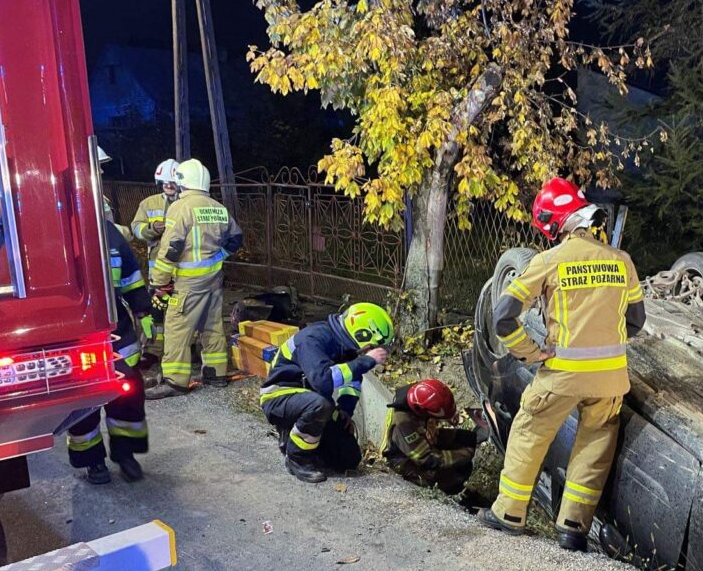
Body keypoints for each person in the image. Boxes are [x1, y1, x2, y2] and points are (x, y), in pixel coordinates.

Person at [478, 177, 646, 551]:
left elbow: (503, 317)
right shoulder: (622, 262)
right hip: (611, 381)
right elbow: (635, 321)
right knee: (596, 445)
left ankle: (509, 513)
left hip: (563, 374)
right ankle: (572, 527)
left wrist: (530, 351)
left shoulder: (549, 261)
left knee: (529, 430)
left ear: (555, 225)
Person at [259, 302, 395, 483]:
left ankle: (304, 442)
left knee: (348, 458)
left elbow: (352, 380)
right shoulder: (313, 338)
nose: (369, 351)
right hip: (278, 397)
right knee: (321, 405)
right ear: (362, 334)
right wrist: (365, 362)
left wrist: (345, 411)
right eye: (372, 346)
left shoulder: (345, 345)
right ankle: (297, 458)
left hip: (310, 399)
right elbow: (322, 381)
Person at [146, 158, 242, 399]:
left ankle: (175, 381)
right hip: (213, 280)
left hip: (188, 283)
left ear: (182, 182)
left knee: (177, 327)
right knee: (213, 325)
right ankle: (216, 373)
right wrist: (217, 257)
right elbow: (236, 239)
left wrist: (158, 280)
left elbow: (171, 247)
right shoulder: (218, 207)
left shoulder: (181, 207)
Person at [67, 221, 153, 483]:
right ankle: (93, 461)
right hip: (75, 335)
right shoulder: (50, 230)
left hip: (115, 331)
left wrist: (143, 310)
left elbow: (130, 275)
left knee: (127, 395)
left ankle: (126, 455)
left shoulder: (108, 232)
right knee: (83, 404)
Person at [383, 379, 489, 495]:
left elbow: (435, 401)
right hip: (409, 461)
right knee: (459, 469)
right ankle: (457, 494)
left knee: (466, 438)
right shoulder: (403, 424)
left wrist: (449, 414)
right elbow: (427, 459)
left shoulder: (417, 393)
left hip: (424, 437)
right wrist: (462, 455)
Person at [130, 159, 180, 355]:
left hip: (182, 272)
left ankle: (187, 349)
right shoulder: (149, 203)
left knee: (180, 314)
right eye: (165, 182)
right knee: (156, 313)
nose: (168, 185)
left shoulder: (185, 204)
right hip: (158, 272)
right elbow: (136, 228)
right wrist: (151, 229)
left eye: (172, 182)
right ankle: (154, 350)